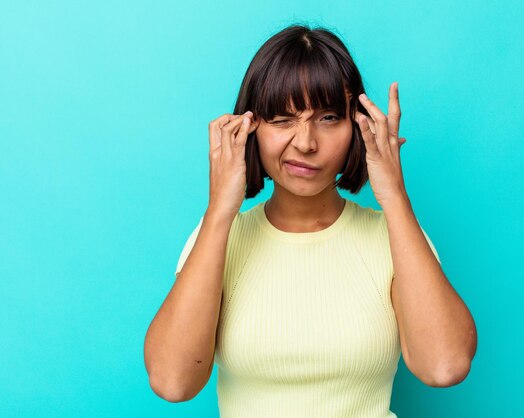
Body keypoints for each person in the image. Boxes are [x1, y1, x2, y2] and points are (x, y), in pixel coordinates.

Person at [144, 24, 477, 417]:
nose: (305, 142)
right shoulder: (218, 238)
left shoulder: (394, 237)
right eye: (283, 119)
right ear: (251, 128)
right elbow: (173, 381)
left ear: (357, 126)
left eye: (329, 117)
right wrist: (220, 208)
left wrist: (394, 197)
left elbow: (444, 366)